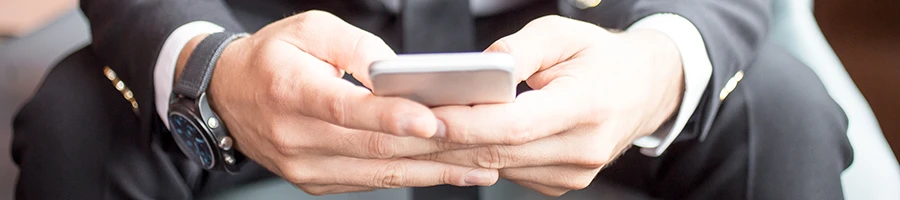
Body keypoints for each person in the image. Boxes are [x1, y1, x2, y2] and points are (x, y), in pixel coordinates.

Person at [12, 0, 853, 199]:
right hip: (272, 24)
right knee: (74, 121)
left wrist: (657, 65)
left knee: (781, 110)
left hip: (580, 27)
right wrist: (210, 64)